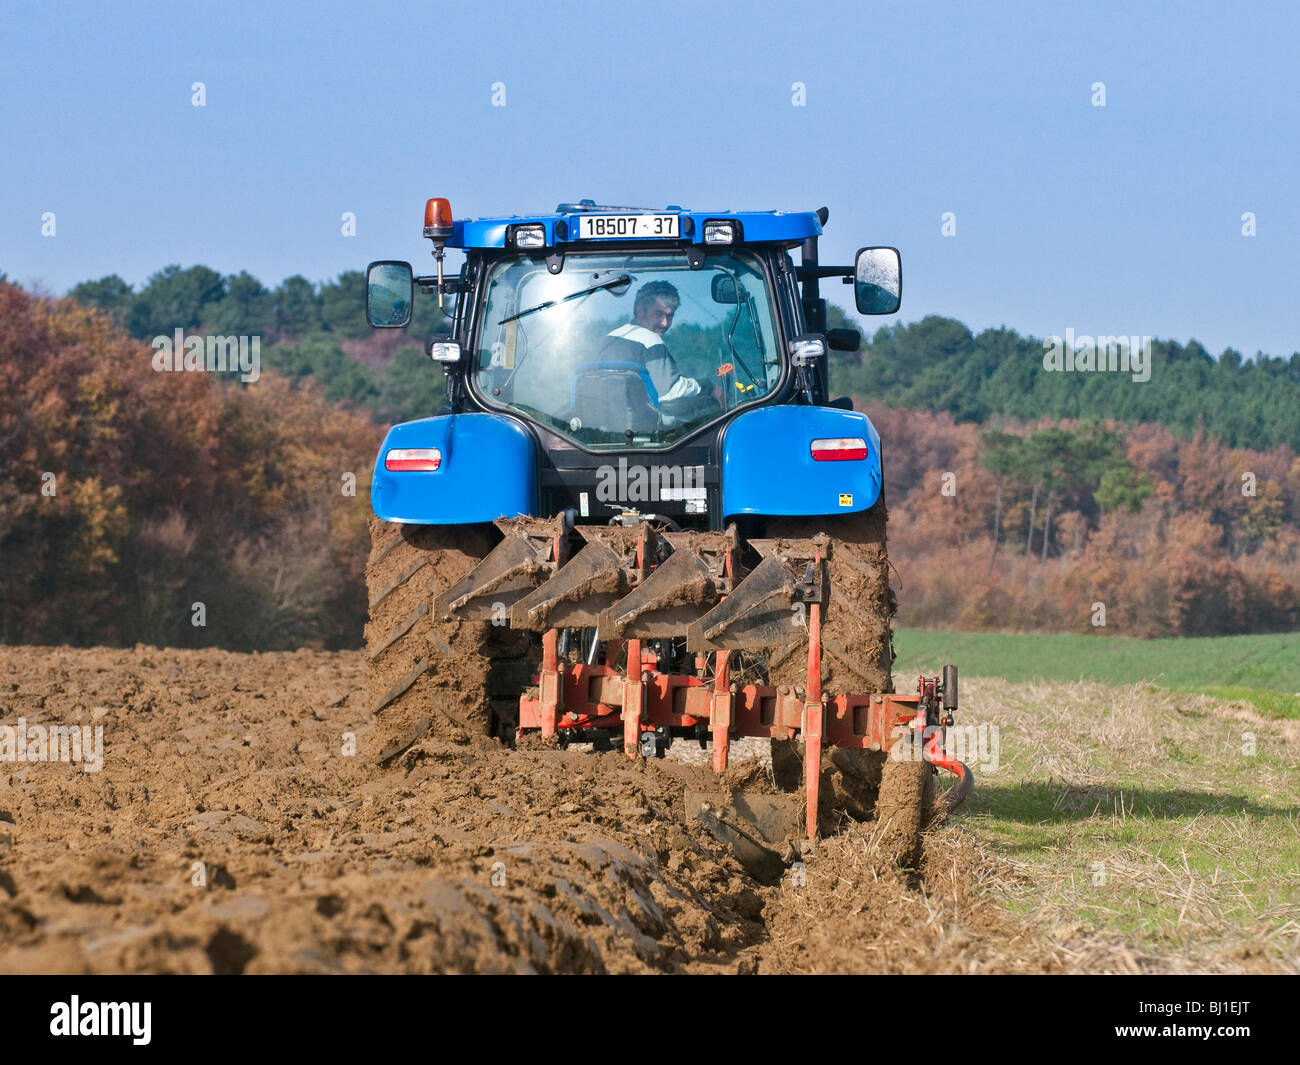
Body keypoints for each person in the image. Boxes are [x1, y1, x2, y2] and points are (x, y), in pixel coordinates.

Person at [597, 281, 723, 422]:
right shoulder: (650, 339)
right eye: (658, 314)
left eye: (670, 316)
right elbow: (670, 392)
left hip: (608, 423)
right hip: (642, 428)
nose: (665, 323)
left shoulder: (610, 338)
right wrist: (707, 386)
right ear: (640, 311)